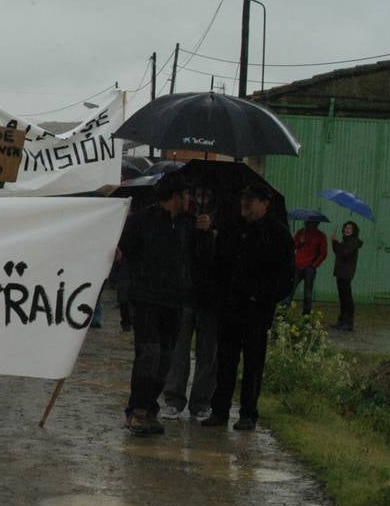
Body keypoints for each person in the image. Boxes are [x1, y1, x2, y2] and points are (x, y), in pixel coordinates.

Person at [203, 184, 295, 431]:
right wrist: (218, 295)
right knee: (225, 362)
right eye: (244, 198)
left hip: (256, 312)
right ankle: (219, 411)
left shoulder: (278, 233)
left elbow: (286, 277)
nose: (245, 203)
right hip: (229, 308)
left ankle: (248, 413)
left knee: (253, 364)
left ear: (265, 203)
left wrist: (262, 297)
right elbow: (217, 266)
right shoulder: (231, 228)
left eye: (251, 199)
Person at [116, 171, 199, 436]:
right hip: (146, 298)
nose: (190, 199)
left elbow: (197, 259)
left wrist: (206, 234)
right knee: (148, 355)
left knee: (166, 358)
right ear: (176, 196)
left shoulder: (189, 224)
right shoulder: (142, 220)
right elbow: (122, 251)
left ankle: (151, 408)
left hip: (175, 301)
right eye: (186, 194)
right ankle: (136, 410)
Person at [160, 184, 220, 420]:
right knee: (178, 350)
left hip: (210, 297)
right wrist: (197, 232)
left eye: (206, 193)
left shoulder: (222, 221)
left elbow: (217, 259)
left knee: (208, 352)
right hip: (183, 293)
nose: (200, 197)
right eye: (197, 193)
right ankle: (174, 398)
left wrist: (209, 234)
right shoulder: (183, 222)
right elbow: (180, 253)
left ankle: (202, 401)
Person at [288, 217, 328, 316]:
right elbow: (292, 246)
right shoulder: (301, 232)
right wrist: (300, 242)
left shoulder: (321, 236)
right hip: (297, 266)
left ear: (316, 223)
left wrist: (314, 265)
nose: (308, 224)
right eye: (308, 222)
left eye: (311, 222)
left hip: (309, 268)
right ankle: (283, 311)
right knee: (289, 289)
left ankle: (306, 314)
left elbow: (323, 253)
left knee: (308, 292)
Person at [331, 221, 363, 331]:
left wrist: (337, 244)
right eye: (346, 227)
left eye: (349, 228)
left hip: (346, 273)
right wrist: (334, 242)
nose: (347, 229)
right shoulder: (345, 241)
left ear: (354, 231)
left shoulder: (353, 242)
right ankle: (341, 321)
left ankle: (348, 323)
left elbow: (344, 253)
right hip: (340, 272)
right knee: (342, 297)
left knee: (347, 298)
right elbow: (338, 251)